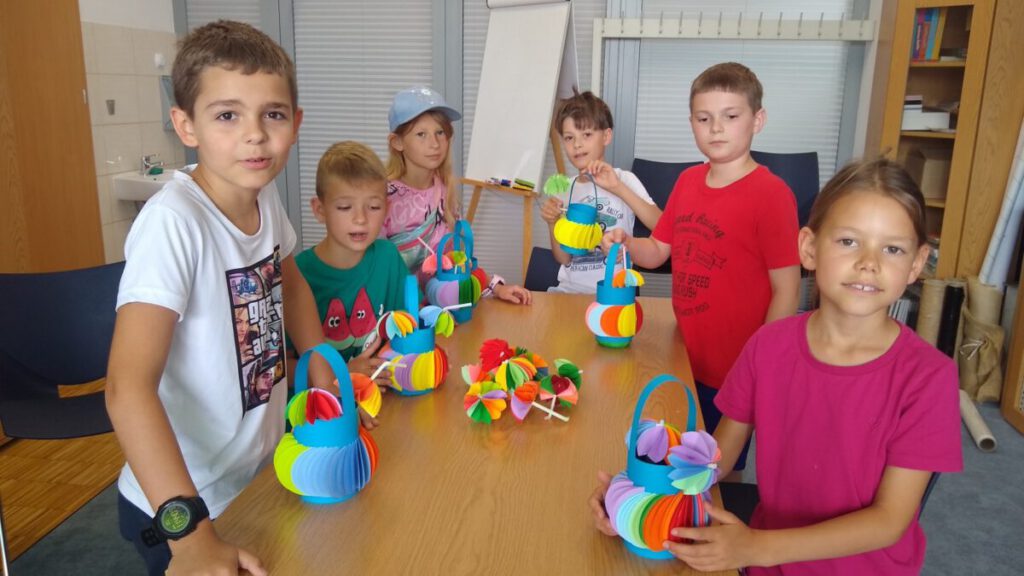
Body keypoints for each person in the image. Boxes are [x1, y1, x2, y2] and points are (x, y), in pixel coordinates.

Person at [591, 157, 963, 574]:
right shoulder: (768, 346)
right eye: (848, 241)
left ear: (917, 263)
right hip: (765, 560)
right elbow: (717, 458)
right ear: (808, 249)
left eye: (892, 249)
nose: (869, 263)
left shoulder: (929, 378)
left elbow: (890, 520)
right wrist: (637, 498)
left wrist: (756, 549)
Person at [105, 20, 338, 576]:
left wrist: (320, 360)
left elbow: (290, 279)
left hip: (254, 473)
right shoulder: (173, 223)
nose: (255, 135)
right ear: (186, 125)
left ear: (295, 123)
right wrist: (189, 537)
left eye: (272, 115)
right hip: (182, 506)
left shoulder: (262, 192)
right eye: (228, 115)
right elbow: (126, 389)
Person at [601, 62, 801, 475]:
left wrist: (763, 364)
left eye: (731, 116)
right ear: (691, 122)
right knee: (681, 456)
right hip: (684, 355)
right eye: (704, 118)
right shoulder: (688, 182)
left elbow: (787, 289)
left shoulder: (772, 195)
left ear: (757, 120)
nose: (716, 129)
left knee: (720, 469)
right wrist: (626, 243)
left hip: (737, 369)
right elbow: (658, 252)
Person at [382, 86, 532, 304]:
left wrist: (494, 287)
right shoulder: (381, 199)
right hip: (399, 316)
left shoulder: (445, 190)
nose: (434, 144)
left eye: (440, 132)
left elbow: (456, 259)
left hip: (443, 311)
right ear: (397, 142)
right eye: (421, 134)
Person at [295, 141, 407, 383]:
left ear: (386, 208)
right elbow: (280, 370)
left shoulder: (388, 258)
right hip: (324, 403)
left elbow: (407, 330)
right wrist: (343, 373)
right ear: (320, 210)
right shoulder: (297, 275)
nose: (360, 219)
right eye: (345, 207)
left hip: (382, 395)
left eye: (374, 207)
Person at [539, 90, 661, 293]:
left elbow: (660, 224)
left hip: (613, 292)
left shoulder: (624, 180)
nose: (577, 144)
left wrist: (617, 188)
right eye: (569, 138)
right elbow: (564, 258)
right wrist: (552, 223)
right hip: (568, 291)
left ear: (606, 136)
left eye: (586, 134)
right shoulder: (565, 189)